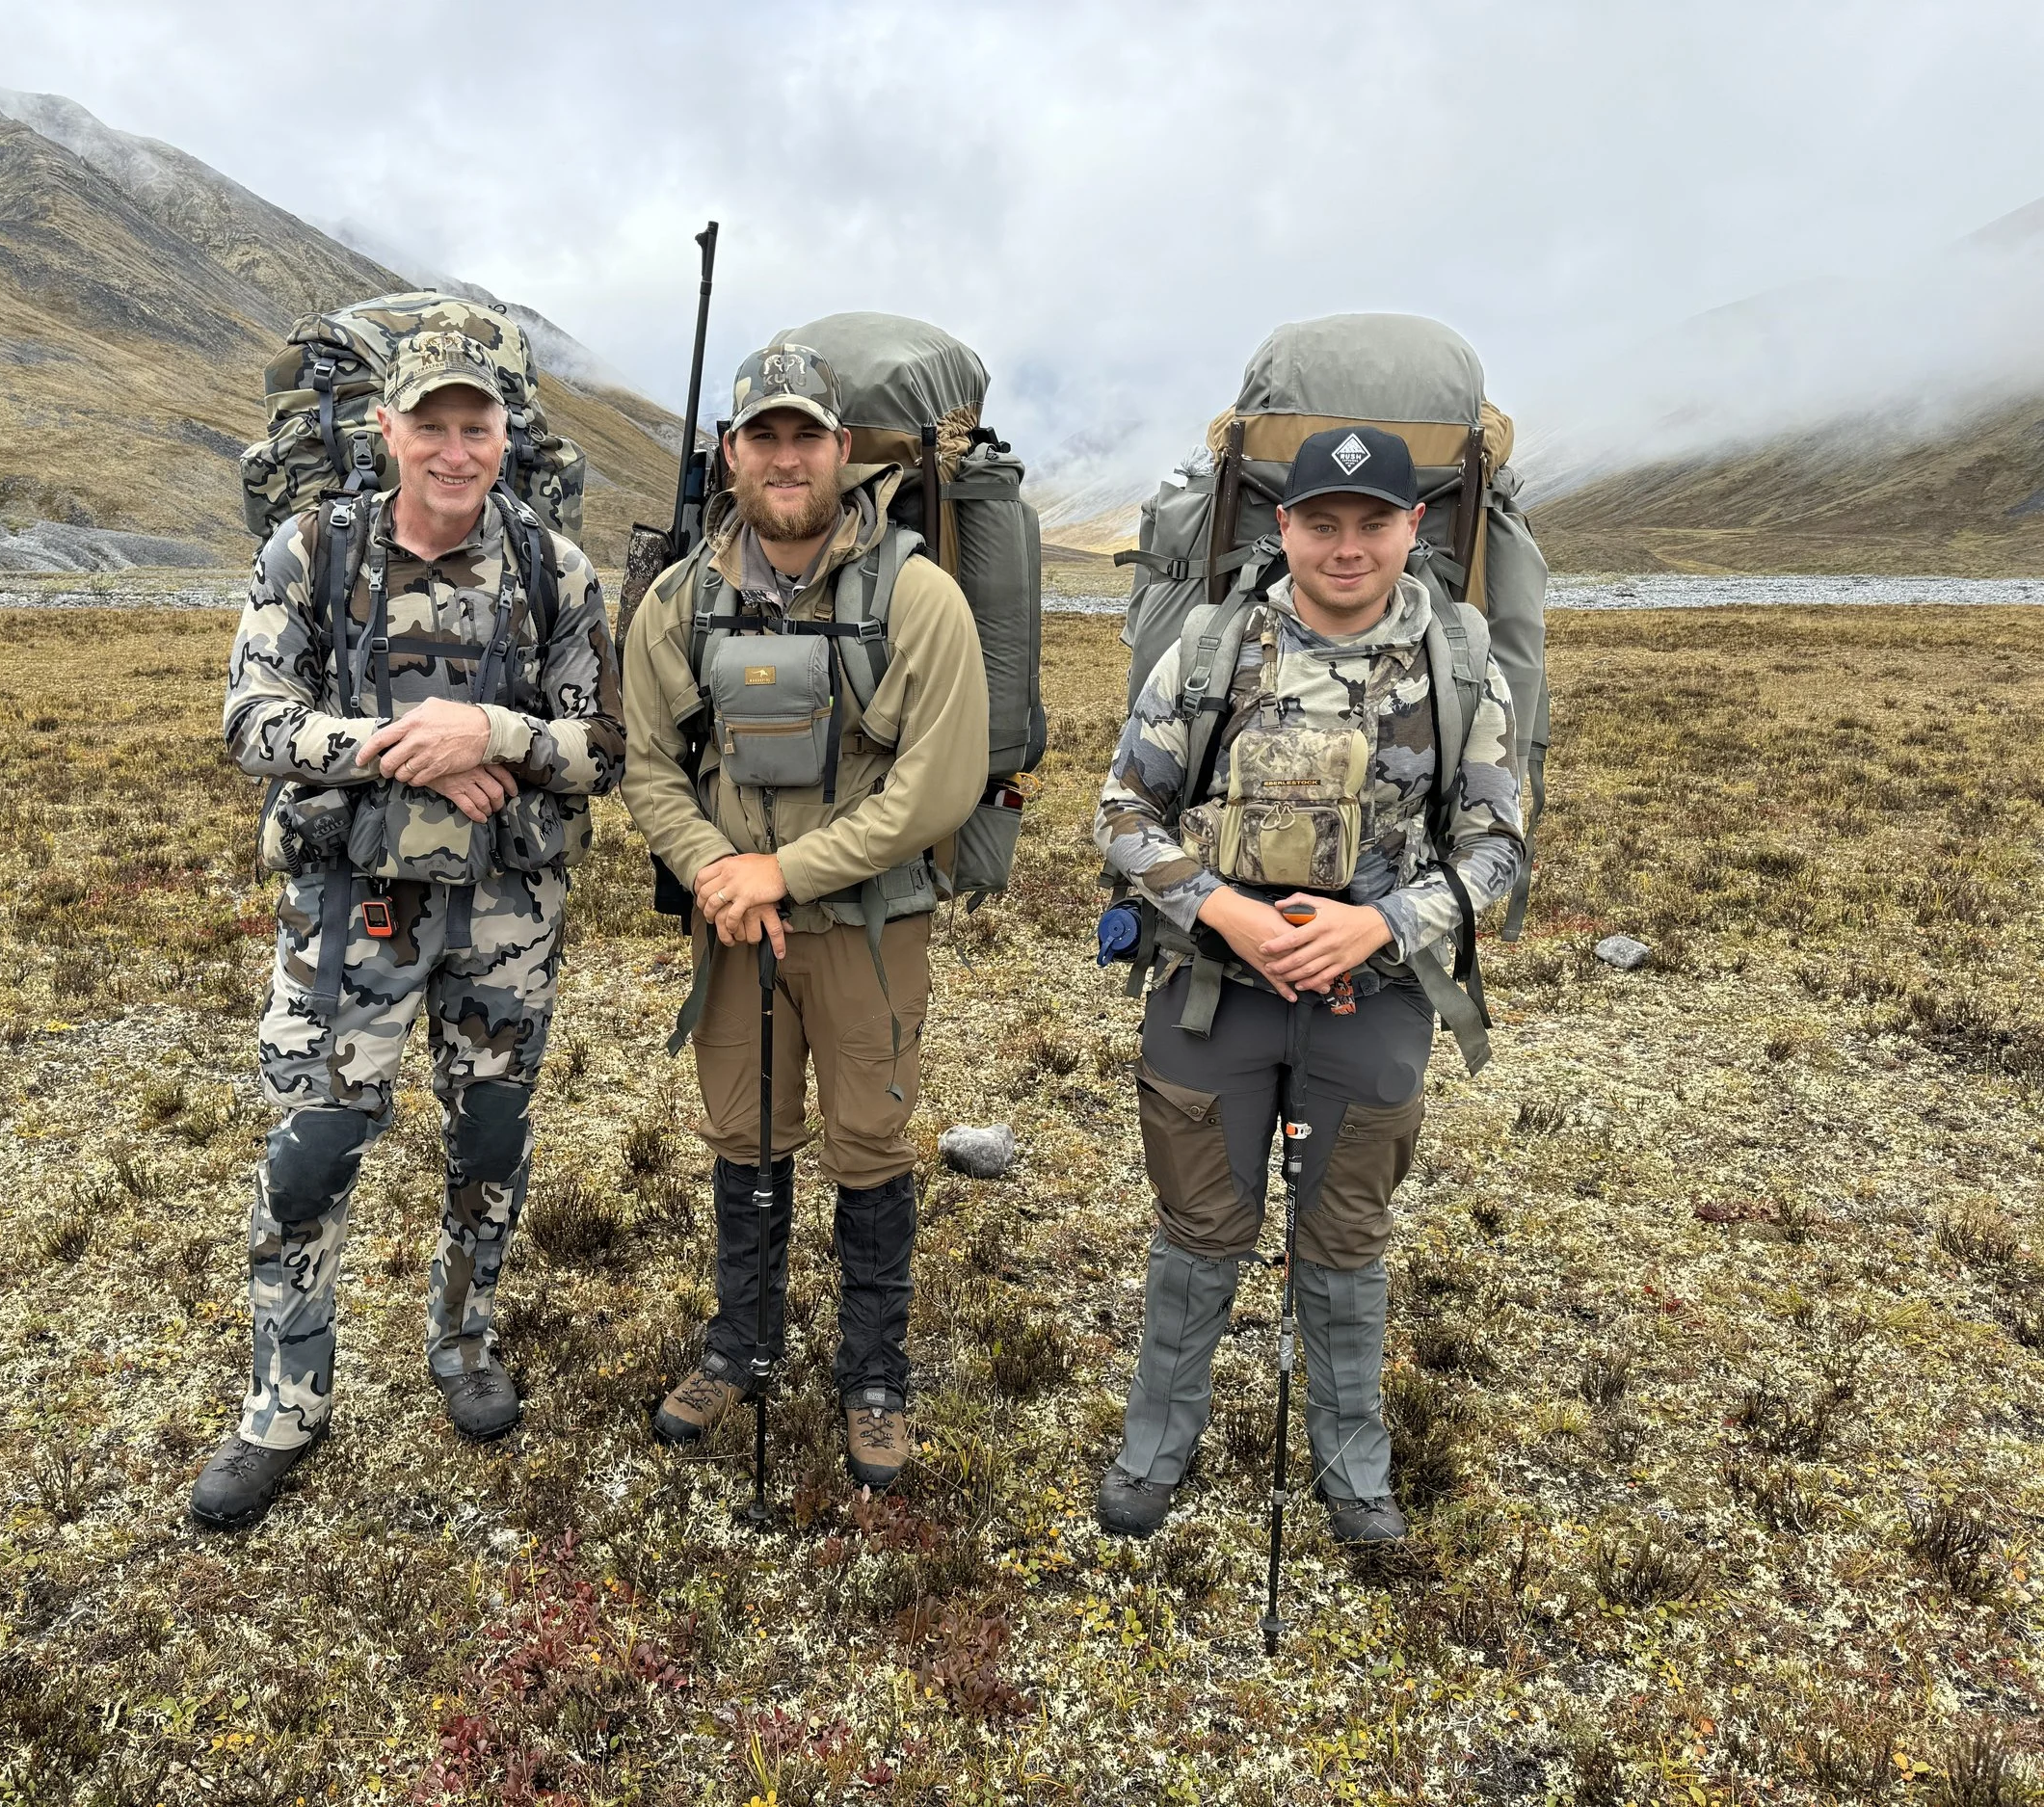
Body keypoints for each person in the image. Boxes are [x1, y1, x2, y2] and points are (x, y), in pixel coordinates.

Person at [193, 329, 624, 1528]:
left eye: (473, 426)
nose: (451, 449)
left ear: (502, 439)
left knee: (488, 1141)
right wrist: (402, 754)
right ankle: (283, 1403)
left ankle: (464, 1342)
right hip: (349, 916)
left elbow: (606, 746)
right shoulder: (312, 552)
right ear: (385, 430)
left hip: (506, 917)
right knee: (314, 1153)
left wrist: (493, 735)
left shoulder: (555, 570)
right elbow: (251, 719)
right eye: (427, 425)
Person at [1092, 424, 1525, 1541]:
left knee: (1344, 1241)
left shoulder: (1458, 662)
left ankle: (1353, 1467)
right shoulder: (1210, 649)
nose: (1345, 547)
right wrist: (1224, 911)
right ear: (1281, 525)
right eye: (1320, 523)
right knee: (1196, 1230)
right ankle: (1153, 1450)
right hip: (1211, 994)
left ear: (1411, 527)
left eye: (1371, 523)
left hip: (1372, 1001)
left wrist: (1375, 926)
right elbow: (1122, 813)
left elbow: (1495, 849)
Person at [620, 342, 988, 1491]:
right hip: (733, 928)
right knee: (743, 1130)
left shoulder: (918, 596)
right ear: (730, 453)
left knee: (870, 1143)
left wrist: (790, 873)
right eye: (762, 439)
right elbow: (646, 765)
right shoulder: (679, 601)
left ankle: (873, 1372)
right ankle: (742, 1341)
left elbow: (938, 782)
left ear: (844, 452)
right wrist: (720, 874)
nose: (786, 460)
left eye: (807, 439)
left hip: (870, 928)